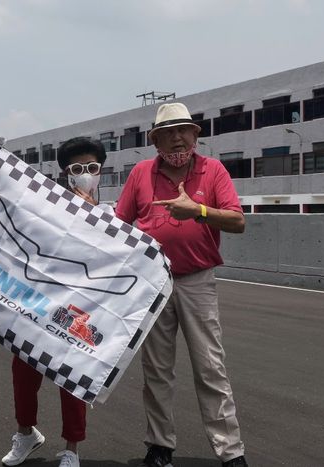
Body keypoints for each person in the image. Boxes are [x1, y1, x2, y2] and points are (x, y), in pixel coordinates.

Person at [0, 137, 109, 467]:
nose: (85, 174)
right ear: (65, 173)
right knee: (23, 369)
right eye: (77, 168)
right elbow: (9, 233)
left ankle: (71, 449)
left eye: (92, 168)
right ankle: (26, 433)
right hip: (38, 305)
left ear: (101, 172)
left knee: (72, 380)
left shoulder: (111, 217)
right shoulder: (47, 209)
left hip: (78, 311)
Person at [114, 103, 249, 467]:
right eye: (167, 133)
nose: (177, 138)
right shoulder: (141, 173)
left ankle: (230, 452)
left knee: (210, 366)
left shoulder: (213, 170)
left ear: (195, 135)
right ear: (154, 140)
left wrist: (198, 211)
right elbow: (118, 225)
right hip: (153, 283)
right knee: (157, 369)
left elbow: (237, 221)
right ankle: (159, 447)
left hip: (197, 280)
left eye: (183, 131)